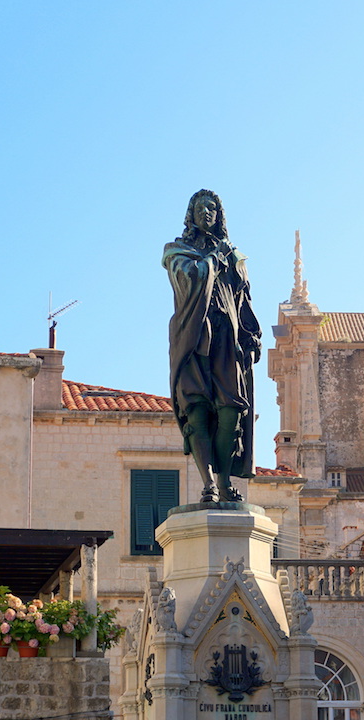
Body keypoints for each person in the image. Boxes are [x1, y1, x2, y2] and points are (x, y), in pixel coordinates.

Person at [162, 189, 262, 503]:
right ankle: (209, 485)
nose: (208, 213)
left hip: (226, 338)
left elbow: (242, 297)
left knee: (232, 410)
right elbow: (188, 278)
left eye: (213, 209)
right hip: (192, 338)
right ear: (190, 214)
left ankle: (225, 479)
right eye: (201, 208)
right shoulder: (176, 251)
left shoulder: (232, 254)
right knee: (197, 411)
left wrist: (251, 333)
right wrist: (211, 261)